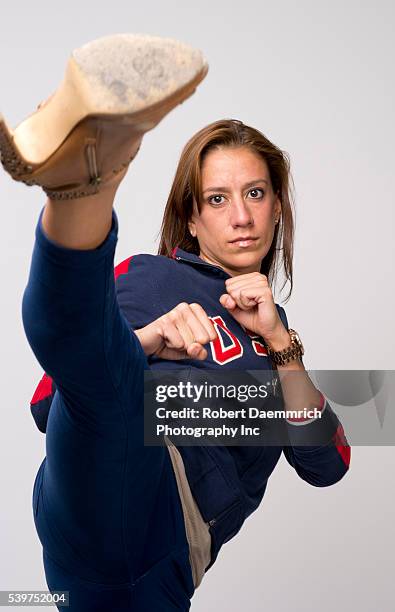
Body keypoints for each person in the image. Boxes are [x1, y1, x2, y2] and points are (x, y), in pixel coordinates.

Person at [1, 34, 350, 612]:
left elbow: (327, 463)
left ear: (278, 206)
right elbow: (52, 397)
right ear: (191, 216)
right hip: (119, 477)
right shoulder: (151, 278)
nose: (241, 217)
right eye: (217, 200)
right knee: (107, 378)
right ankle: (83, 186)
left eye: (256, 194)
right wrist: (149, 338)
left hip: (168, 561)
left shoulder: (276, 340)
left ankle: (82, 180)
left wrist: (281, 343)